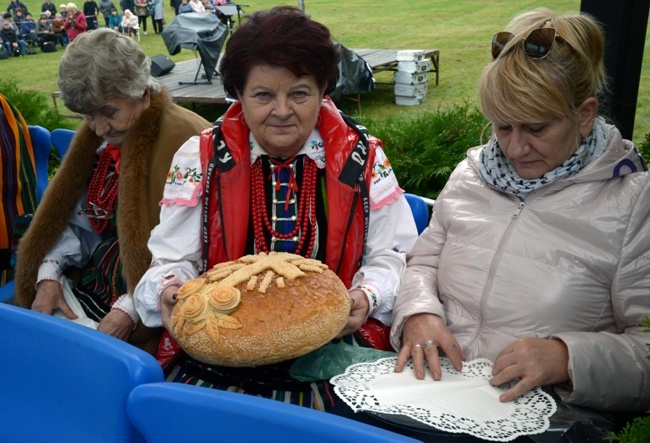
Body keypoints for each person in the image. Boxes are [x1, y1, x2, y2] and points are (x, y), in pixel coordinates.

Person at [134, 5, 418, 413]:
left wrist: (366, 296)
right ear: (239, 95)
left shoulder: (362, 158)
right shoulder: (200, 156)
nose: (282, 110)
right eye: (263, 94)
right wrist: (170, 289)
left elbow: (393, 256)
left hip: (332, 348)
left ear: (323, 92)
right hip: (224, 350)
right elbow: (173, 258)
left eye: (299, 93)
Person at [391, 7, 650, 415]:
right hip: (427, 395)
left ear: (584, 115)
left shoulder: (633, 203)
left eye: (536, 128)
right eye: (502, 126)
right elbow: (422, 264)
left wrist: (566, 358)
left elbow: (645, 347)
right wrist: (417, 314)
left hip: (541, 418)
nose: (514, 149)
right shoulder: (471, 172)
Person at [13, 28, 210, 353]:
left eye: (108, 112)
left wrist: (129, 309)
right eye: (88, 115)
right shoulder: (101, 138)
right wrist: (48, 275)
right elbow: (79, 222)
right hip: (92, 276)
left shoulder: (189, 141)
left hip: (158, 291)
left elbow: (195, 250)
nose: (98, 128)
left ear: (143, 93)